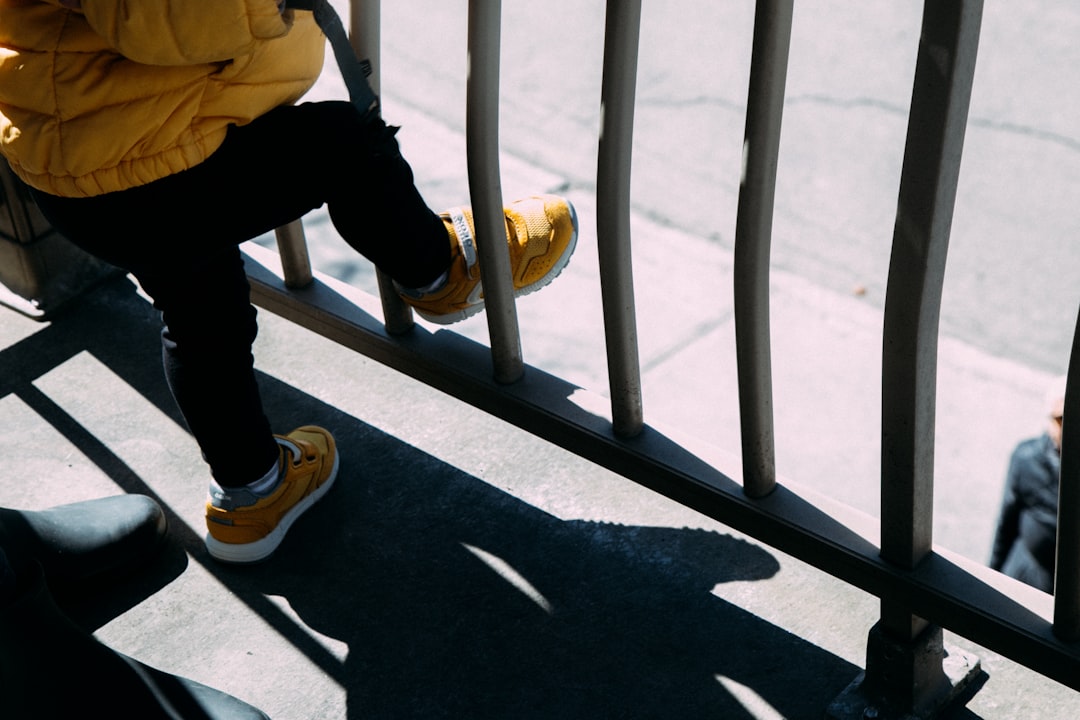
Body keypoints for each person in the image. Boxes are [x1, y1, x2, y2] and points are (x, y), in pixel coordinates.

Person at [0, 1, 577, 565]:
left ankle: (251, 492)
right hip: (154, 164)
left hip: (82, 168)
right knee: (342, 145)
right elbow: (165, 16)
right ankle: (439, 268)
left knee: (200, 312)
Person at [989, 376, 1066, 594]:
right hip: (1026, 577)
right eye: (1061, 419)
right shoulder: (1027, 459)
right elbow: (1006, 522)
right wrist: (990, 579)